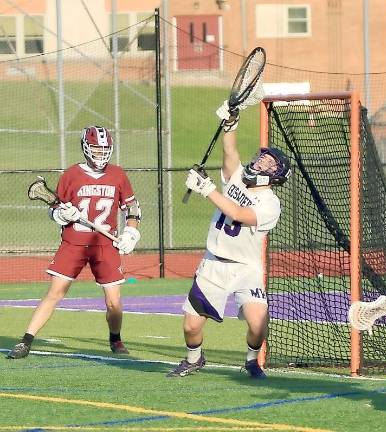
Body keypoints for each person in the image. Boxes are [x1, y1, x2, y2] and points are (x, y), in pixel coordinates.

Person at [166, 101, 291, 379]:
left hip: (246, 267)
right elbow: (230, 151)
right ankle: (194, 359)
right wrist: (231, 124)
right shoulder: (236, 179)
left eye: (269, 163)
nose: (261, 161)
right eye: (263, 157)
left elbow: (238, 213)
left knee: (258, 322)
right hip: (214, 264)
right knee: (191, 326)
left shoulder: (270, 204)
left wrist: (207, 188)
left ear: (275, 175)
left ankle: (250, 361)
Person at [7, 126, 142, 359]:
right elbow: (54, 210)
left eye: (104, 150)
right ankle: (26, 340)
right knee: (55, 292)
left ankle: (115, 338)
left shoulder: (118, 175)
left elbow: (132, 208)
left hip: (104, 245)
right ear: (85, 149)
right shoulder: (71, 175)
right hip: (73, 243)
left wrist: (131, 233)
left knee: (114, 302)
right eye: (96, 150)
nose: (100, 155)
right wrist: (61, 215)